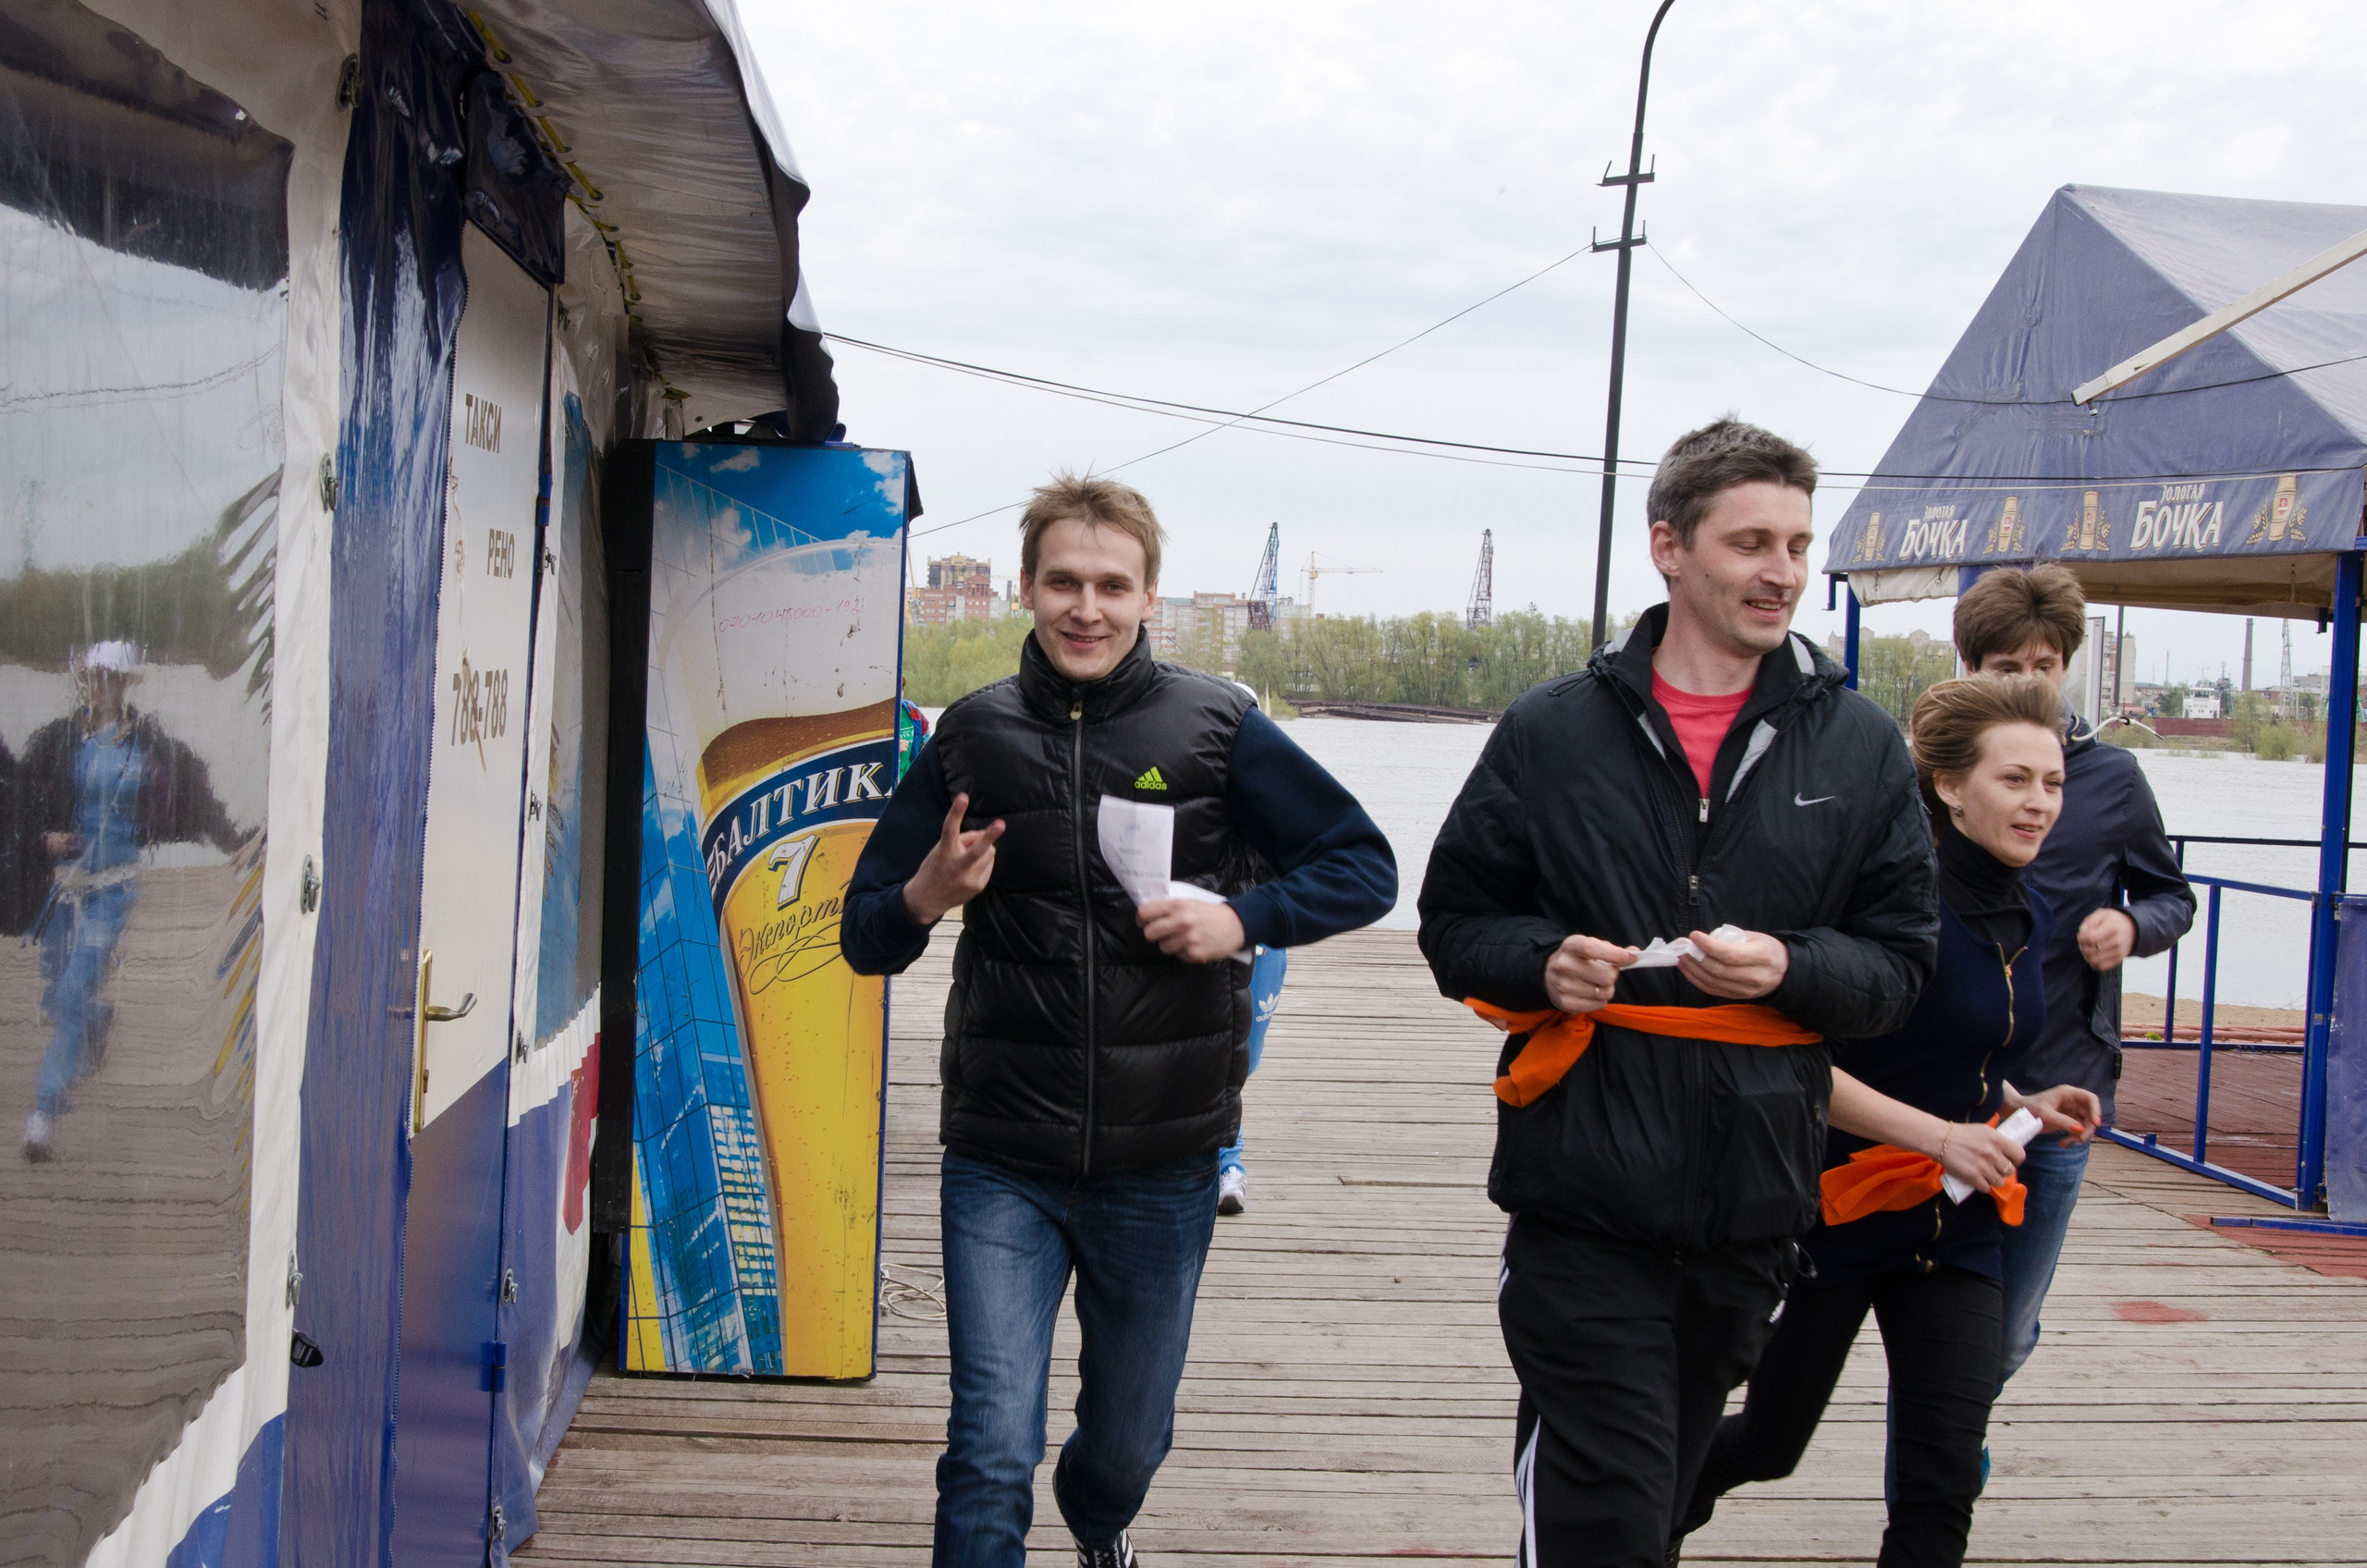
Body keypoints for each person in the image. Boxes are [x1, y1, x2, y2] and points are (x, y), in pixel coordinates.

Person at [840, 474, 1396, 1568]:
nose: (1084, 607)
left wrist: (1240, 917)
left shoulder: (1217, 726)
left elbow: (1364, 868)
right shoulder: (970, 737)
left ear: (1148, 595)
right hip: (1002, 1155)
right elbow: (865, 935)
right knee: (990, 1445)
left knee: (1126, 1442)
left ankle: (1100, 1526)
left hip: (1162, 1155)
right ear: (1026, 590)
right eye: (1062, 582)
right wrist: (926, 893)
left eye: (1110, 584)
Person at [1419, 419, 1941, 1568]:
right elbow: (1454, 924)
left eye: (1798, 543)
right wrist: (1541, 960)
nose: (1783, 571)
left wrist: (1793, 968)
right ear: (1669, 546)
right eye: (1751, 540)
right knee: (1610, 1509)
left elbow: (1900, 967)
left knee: (1646, 1500)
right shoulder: (1555, 730)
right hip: (1582, 1193)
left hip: (1755, 1205)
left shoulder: (1857, 745)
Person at [1674, 676, 2103, 1568]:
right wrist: (1939, 1136)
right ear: (1950, 787)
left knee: (1942, 1480)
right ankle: (1642, 1530)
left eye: (2052, 784)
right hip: (1832, 1215)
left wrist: (2022, 1105)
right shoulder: (1891, 904)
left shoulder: (2034, 912)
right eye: (2014, 780)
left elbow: (1963, 1061)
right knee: (1766, 1446)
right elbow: (1796, 1065)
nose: (2037, 804)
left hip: (1957, 1228)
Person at [1950, 567, 2193, 1383]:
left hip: (2057, 1081)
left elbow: (2171, 896)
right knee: (1911, 1320)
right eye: (2004, 667)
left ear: (2067, 668)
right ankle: (1930, 1485)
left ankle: (1950, 1466)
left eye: (2042, 666)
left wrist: (2131, 923)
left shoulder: (2113, 780)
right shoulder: (1928, 776)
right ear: (1972, 668)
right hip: (1935, 1085)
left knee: (2008, 1332)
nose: (2025, 683)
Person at [18, 641, 240, 1161]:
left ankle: (43, 1116)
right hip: (63, 888)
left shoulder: (149, 743)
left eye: (107, 677)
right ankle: (96, 1024)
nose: (97, 686)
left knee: (71, 992)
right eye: (91, 677)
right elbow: (26, 801)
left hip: (112, 889)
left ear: (123, 683)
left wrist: (238, 838)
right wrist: (42, 839)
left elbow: (197, 796)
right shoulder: (61, 740)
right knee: (59, 994)